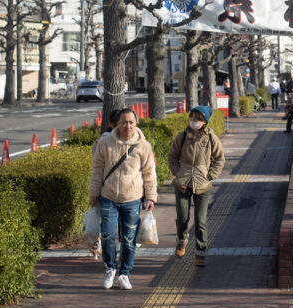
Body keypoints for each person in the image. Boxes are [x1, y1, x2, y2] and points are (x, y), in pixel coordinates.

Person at [88, 108, 157, 290]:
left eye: (131, 122)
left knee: (128, 239)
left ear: (136, 124)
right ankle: (110, 268)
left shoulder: (144, 146)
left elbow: (150, 173)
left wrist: (150, 196)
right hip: (108, 197)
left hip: (132, 199)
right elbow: (97, 170)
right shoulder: (105, 143)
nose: (128, 126)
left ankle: (124, 273)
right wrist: (93, 193)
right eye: (124, 122)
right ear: (117, 123)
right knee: (108, 235)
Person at [168, 106, 225, 267]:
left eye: (198, 119)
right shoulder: (183, 136)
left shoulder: (211, 138)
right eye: (192, 118)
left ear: (205, 121)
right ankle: (181, 240)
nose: (194, 122)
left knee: (200, 221)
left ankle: (200, 252)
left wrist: (210, 175)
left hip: (202, 185)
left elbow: (220, 159)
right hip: (182, 184)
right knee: (182, 218)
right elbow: (172, 156)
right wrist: (177, 172)